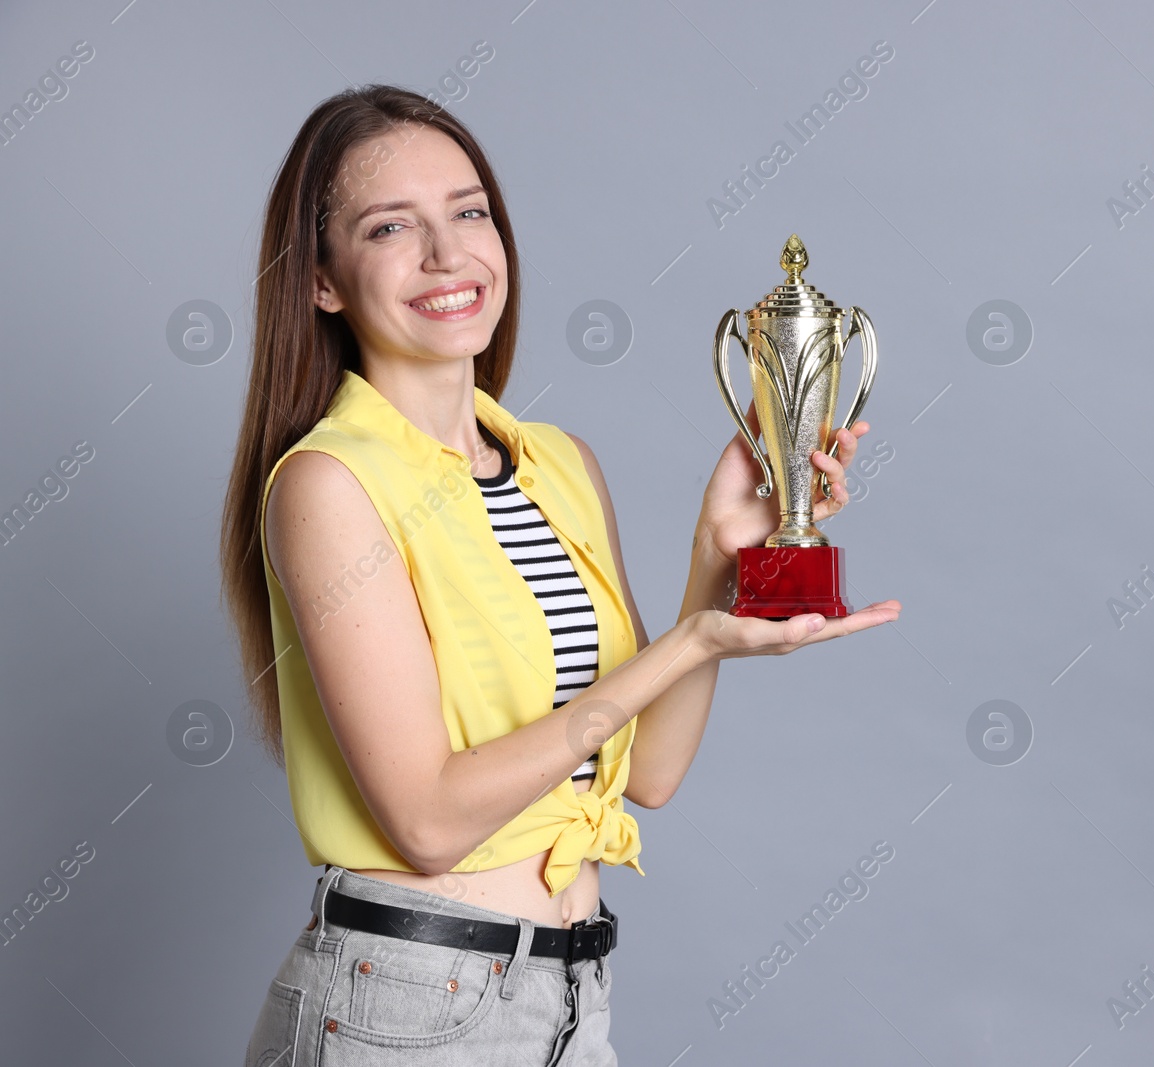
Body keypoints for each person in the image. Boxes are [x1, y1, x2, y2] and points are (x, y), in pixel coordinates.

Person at [220, 84, 900, 1065]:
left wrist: (716, 561)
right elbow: (427, 820)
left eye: (469, 211)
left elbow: (649, 774)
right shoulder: (330, 483)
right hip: (408, 1006)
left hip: (572, 996)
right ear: (321, 279)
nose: (447, 254)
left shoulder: (558, 463)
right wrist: (693, 638)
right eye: (388, 227)